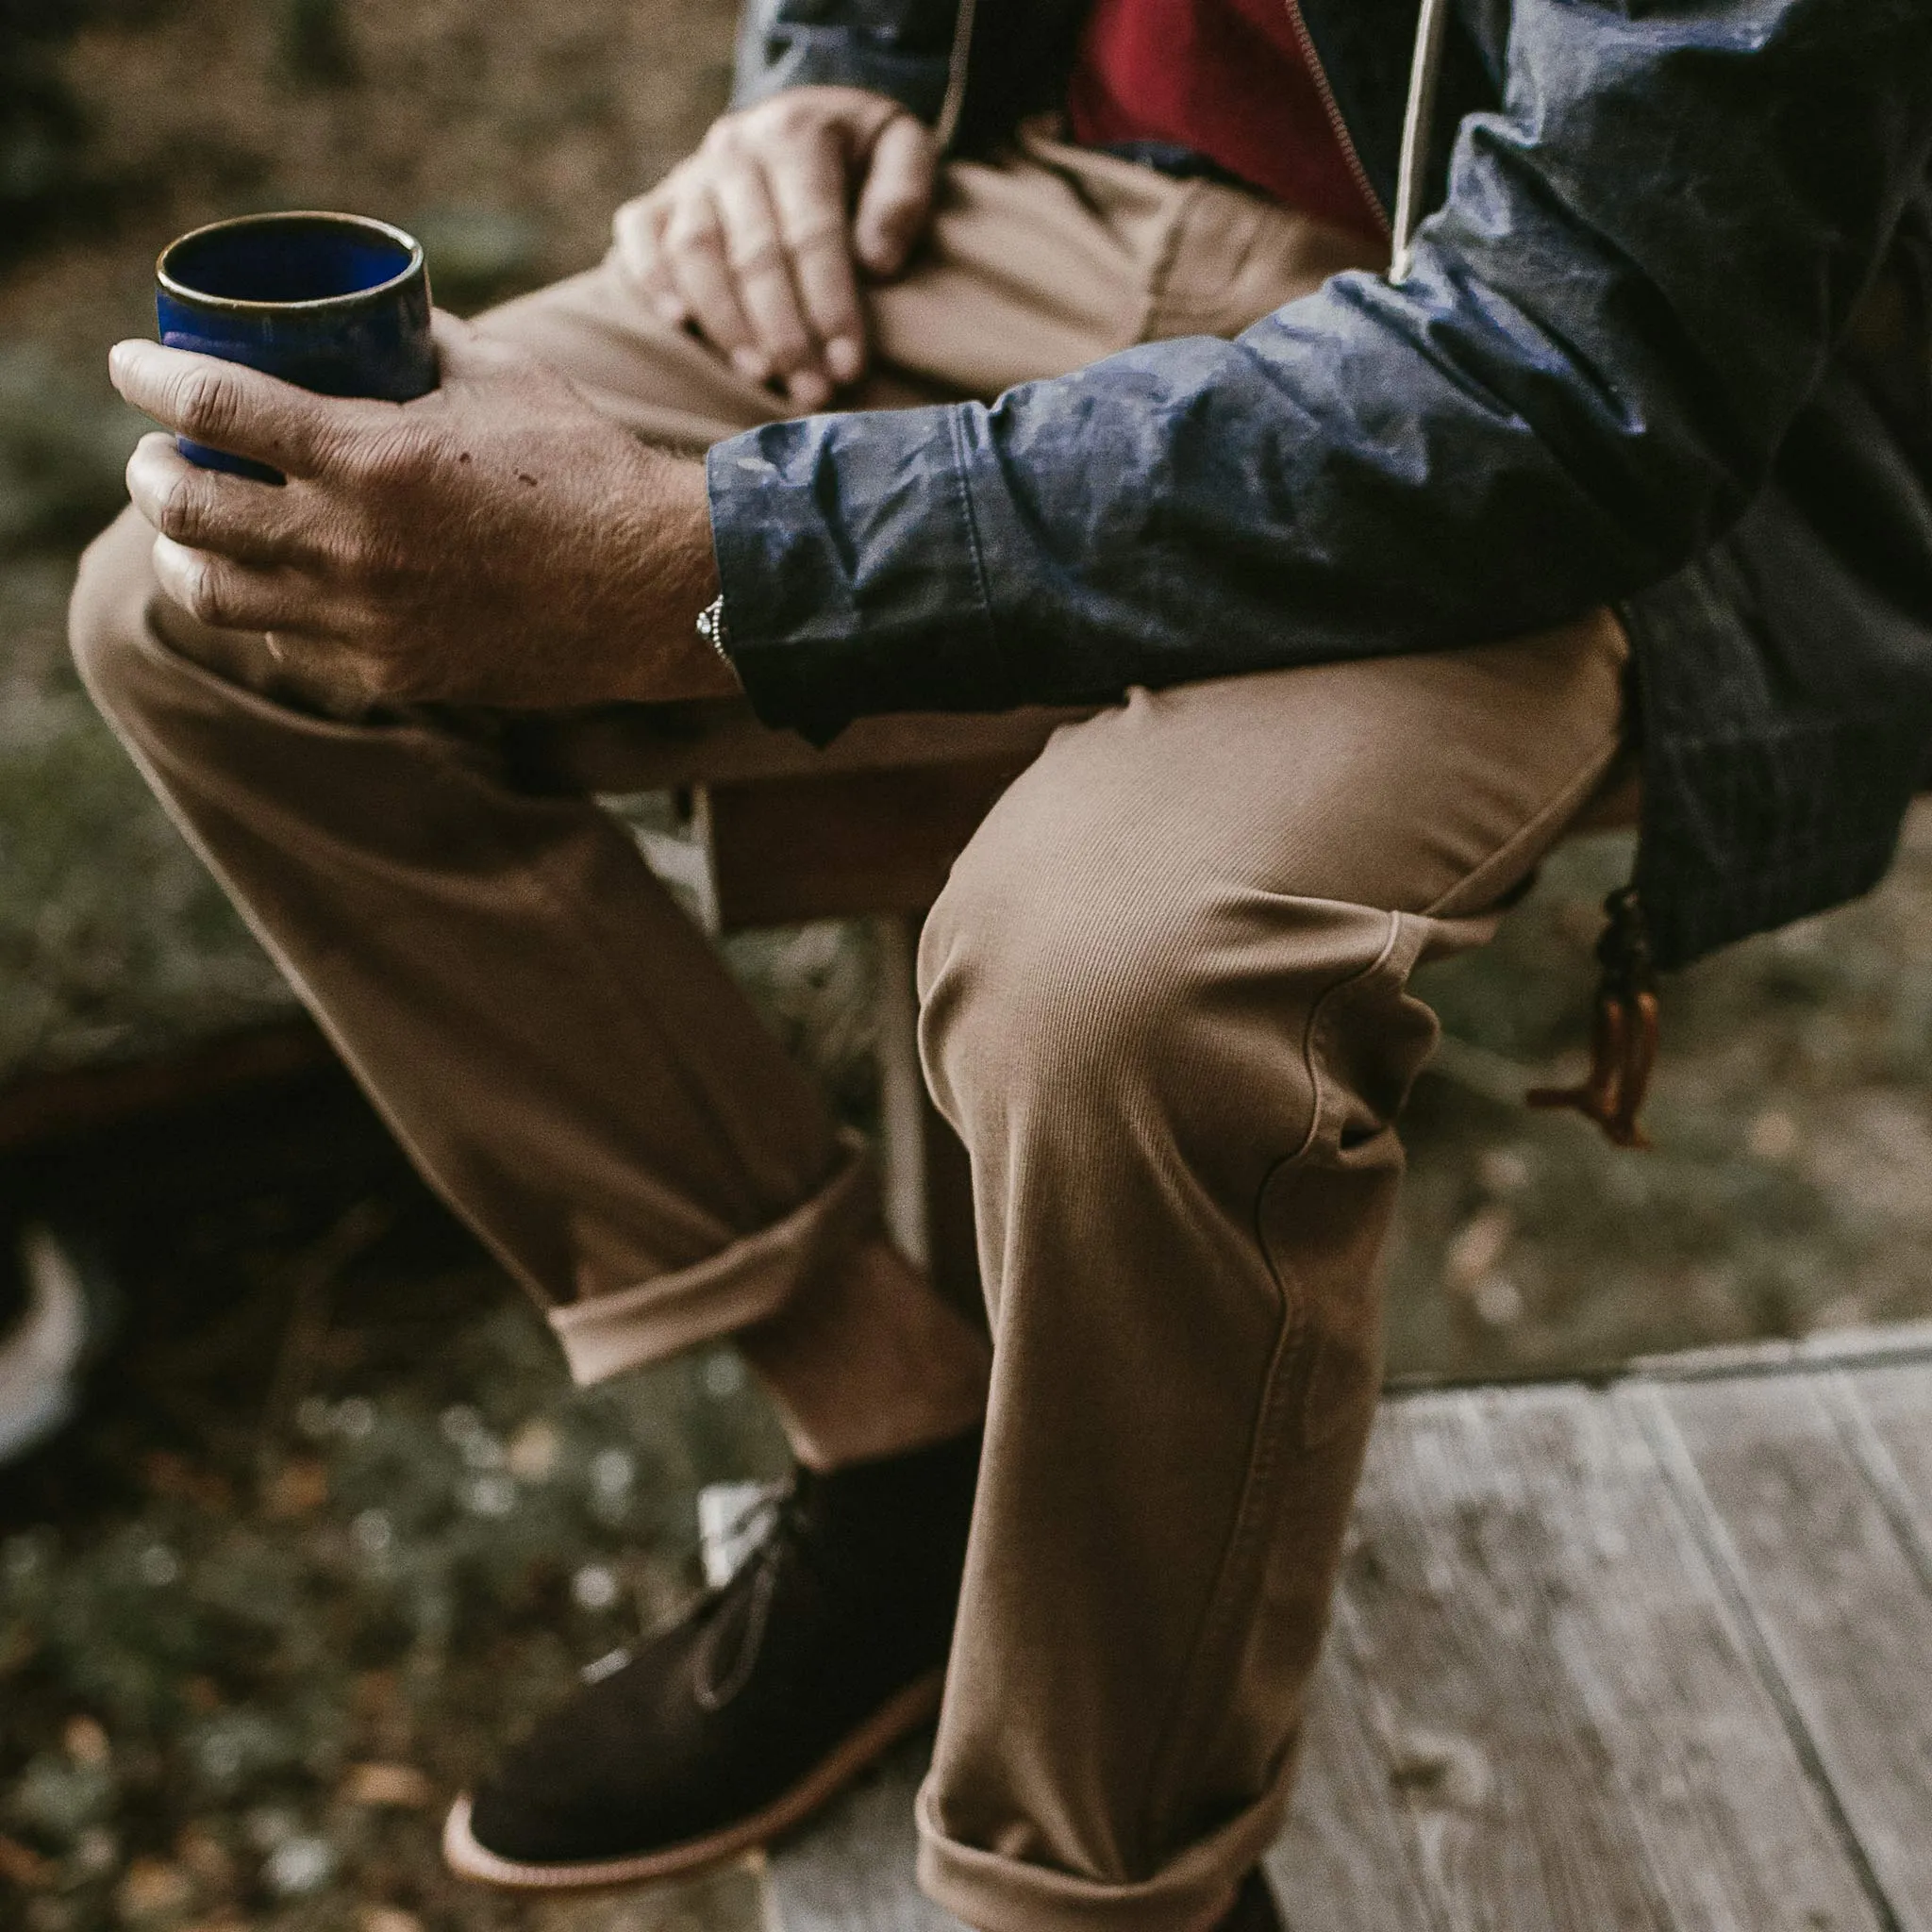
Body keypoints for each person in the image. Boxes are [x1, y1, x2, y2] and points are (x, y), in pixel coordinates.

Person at [67, 0, 1932, 1924]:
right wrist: (841, 72)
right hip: (1017, 196)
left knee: (1120, 976)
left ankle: (1102, 1884)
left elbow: (1576, 361)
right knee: (210, 584)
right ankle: (891, 1435)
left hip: (1479, 339)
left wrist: (704, 557)